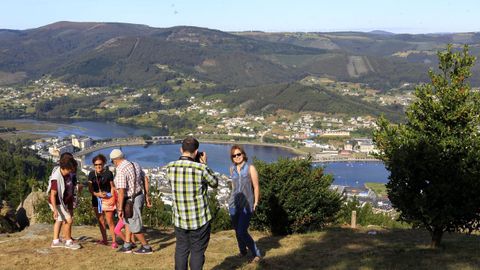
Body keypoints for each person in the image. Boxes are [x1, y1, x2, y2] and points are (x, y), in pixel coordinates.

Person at [166, 137, 219, 270]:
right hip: (199, 219)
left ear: (181, 149)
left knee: (181, 249)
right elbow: (214, 183)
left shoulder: (170, 167)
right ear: (196, 152)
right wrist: (204, 163)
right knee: (197, 251)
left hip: (179, 218)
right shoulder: (201, 169)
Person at [110, 149, 152, 254]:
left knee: (134, 223)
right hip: (139, 195)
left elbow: (121, 191)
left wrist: (119, 208)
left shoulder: (120, 170)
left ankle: (146, 247)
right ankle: (127, 244)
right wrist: (147, 195)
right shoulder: (135, 164)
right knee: (128, 221)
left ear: (115, 161)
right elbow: (145, 178)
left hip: (130, 200)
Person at [228, 145, 261, 262]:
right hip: (233, 204)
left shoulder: (250, 168)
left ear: (243, 154)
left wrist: (256, 202)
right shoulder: (232, 169)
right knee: (237, 231)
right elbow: (233, 187)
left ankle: (256, 253)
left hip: (247, 204)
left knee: (242, 230)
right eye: (234, 155)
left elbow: (256, 187)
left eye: (238, 154)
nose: (236, 157)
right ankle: (242, 251)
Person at [47, 153, 81, 250]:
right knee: (68, 220)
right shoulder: (56, 178)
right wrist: (55, 210)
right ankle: (68, 241)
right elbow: (52, 195)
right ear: (64, 167)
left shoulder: (67, 174)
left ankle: (56, 241)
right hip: (56, 202)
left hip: (62, 201)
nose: (71, 172)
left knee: (60, 220)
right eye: (69, 170)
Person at [87, 154, 118, 248]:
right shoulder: (91, 174)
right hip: (96, 200)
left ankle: (114, 241)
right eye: (95, 165)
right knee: (101, 221)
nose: (98, 166)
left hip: (107, 200)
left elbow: (112, 187)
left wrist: (111, 196)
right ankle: (104, 239)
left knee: (110, 221)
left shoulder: (108, 173)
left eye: (100, 164)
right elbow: (90, 189)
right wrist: (97, 194)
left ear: (104, 163)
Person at [114, 175, 152, 246]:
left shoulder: (121, 189)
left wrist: (120, 209)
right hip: (127, 208)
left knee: (122, 228)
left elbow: (145, 178)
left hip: (126, 209)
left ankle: (141, 245)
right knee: (130, 227)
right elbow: (145, 178)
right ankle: (131, 242)